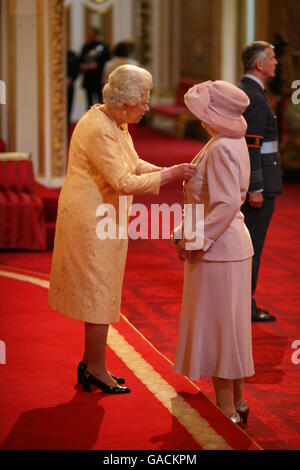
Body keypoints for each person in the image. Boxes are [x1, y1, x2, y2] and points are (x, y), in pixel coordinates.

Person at [48, 65, 196, 395]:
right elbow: (123, 181)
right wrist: (170, 175)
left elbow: (134, 162)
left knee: (102, 289)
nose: (147, 106)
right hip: (91, 219)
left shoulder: (117, 121)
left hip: (104, 216)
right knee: (99, 291)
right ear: (125, 101)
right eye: (143, 101)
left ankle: (91, 364)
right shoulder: (99, 127)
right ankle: (96, 369)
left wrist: (167, 170)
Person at [172, 80, 255, 424]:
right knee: (231, 327)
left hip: (220, 246)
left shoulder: (221, 147)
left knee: (223, 328)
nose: (199, 118)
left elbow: (223, 204)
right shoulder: (227, 141)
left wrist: (192, 238)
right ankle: (237, 401)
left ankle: (227, 409)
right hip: (228, 244)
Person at [238, 41, 283, 322]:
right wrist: (256, 186)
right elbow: (252, 145)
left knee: (251, 245)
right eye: (272, 58)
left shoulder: (252, 91)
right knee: (252, 247)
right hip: (260, 183)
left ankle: (244, 302)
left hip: (264, 180)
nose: (276, 62)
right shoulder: (253, 95)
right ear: (259, 64)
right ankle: (245, 305)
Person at [79, 27, 110, 108]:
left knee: (100, 100)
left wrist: (97, 65)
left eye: (91, 34)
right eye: (88, 34)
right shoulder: (85, 47)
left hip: (99, 78)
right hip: (88, 78)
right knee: (89, 102)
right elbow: (80, 60)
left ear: (96, 35)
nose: (89, 36)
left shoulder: (103, 47)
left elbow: (107, 61)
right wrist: (83, 66)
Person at [67, 49, 80, 127]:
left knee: (69, 108)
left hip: (70, 86)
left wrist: (72, 79)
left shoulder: (72, 55)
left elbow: (77, 69)